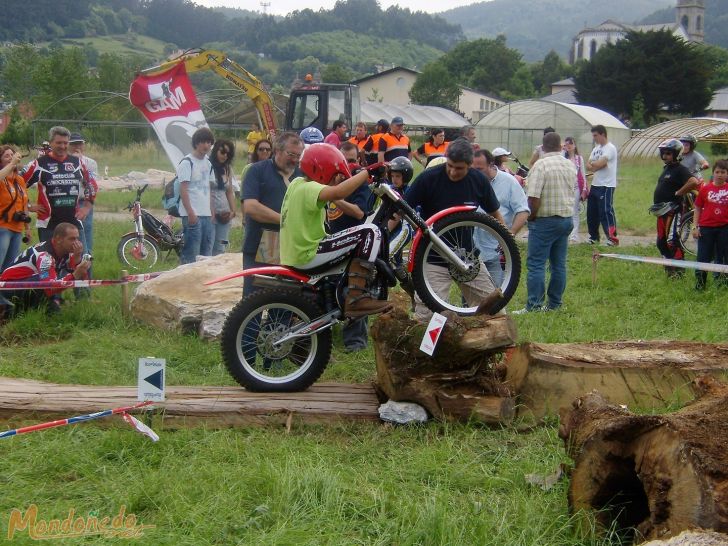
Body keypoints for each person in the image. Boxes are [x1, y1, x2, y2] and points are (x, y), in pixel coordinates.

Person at [279, 143, 392, 318]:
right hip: (308, 254)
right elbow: (338, 192)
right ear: (322, 170)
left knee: (357, 236)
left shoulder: (297, 184)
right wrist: (367, 172)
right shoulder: (310, 188)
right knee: (370, 232)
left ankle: (349, 290)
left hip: (295, 255)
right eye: (335, 175)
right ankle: (356, 298)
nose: (336, 180)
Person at [404, 138, 504, 321]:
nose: (452, 171)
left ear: (469, 165)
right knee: (427, 317)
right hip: (431, 257)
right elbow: (402, 208)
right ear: (445, 158)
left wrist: (506, 242)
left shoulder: (478, 181)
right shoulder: (428, 178)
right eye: (449, 165)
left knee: (495, 312)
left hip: (466, 256)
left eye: (459, 168)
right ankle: (424, 349)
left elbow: (495, 214)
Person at [516, 132, 575, 313]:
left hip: (545, 221)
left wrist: (531, 217)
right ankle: (555, 304)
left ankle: (534, 305)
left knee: (536, 264)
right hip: (566, 219)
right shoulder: (570, 165)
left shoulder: (540, 166)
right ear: (560, 146)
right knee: (558, 264)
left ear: (542, 147)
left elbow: (533, 197)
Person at [242, 132, 303, 296]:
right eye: (291, 154)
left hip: (292, 247)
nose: (295, 160)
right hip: (261, 244)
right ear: (277, 150)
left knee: (285, 300)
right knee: (253, 298)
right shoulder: (257, 171)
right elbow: (250, 207)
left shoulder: (303, 176)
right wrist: (286, 221)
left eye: (298, 155)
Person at [328, 142, 374, 349]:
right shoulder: (326, 179)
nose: (348, 165)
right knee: (326, 288)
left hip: (353, 243)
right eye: (344, 161)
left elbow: (359, 212)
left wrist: (333, 195)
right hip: (327, 241)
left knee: (356, 288)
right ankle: (321, 335)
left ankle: (355, 342)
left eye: (353, 161)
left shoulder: (359, 183)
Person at [23, 126, 96, 244]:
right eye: (58, 143)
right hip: (48, 224)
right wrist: (29, 206)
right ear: (51, 142)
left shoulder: (77, 162)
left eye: (65, 143)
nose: (62, 146)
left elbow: (91, 185)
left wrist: (87, 208)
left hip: (74, 221)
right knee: (51, 261)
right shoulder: (39, 163)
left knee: (81, 260)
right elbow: (18, 185)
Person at [0, 222, 91, 317]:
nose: (77, 243)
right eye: (72, 239)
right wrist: (75, 274)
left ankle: (30, 309)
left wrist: (77, 260)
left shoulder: (67, 251)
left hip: (29, 282)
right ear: (59, 239)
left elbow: (82, 280)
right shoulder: (45, 256)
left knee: (53, 309)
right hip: (10, 286)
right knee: (43, 283)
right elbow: (49, 287)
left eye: (77, 238)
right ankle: (11, 311)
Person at [472, 149, 529, 287]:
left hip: (494, 250)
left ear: (491, 164)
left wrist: (509, 235)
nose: (476, 173)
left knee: (494, 294)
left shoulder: (509, 182)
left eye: (480, 169)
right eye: (473, 169)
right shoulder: (470, 181)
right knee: (471, 295)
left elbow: (523, 211)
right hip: (471, 250)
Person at [651, 139, 700, 277]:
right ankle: (668, 266)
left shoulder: (680, 169)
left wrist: (679, 192)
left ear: (676, 154)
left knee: (672, 241)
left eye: (668, 153)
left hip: (673, 210)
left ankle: (679, 270)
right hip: (661, 211)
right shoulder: (666, 169)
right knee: (661, 241)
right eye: (663, 153)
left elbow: (693, 181)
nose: (665, 156)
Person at [178, 127, 215, 264]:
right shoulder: (187, 162)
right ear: (196, 143)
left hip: (207, 214)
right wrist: (190, 212)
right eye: (203, 142)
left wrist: (212, 210)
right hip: (192, 214)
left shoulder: (209, 163)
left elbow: (210, 188)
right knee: (191, 254)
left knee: (206, 255)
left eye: (209, 142)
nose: (206, 145)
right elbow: (184, 189)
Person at [693, 159, 728, 289]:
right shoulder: (705, 188)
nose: (719, 174)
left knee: (723, 257)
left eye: (723, 172)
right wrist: (695, 227)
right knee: (703, 257)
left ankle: (722, 283)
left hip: (725, 228)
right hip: (706, 228)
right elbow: (697, 208)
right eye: (717, 172)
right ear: (713, 173)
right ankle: (700, 285)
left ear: (727, 174)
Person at [0, 146, 33, 272]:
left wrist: (27, 228)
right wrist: (13, 162)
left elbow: (24, 203)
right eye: (7, 156)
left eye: (12, 155)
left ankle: (4, 292)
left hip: (17, 229)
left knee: (9, 269)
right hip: (3, 227)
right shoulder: (2, 179)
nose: (11, 158)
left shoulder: (19, 180)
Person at [585, 124, 619, 246]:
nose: (594, 138)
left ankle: (612, 238)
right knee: (591, 212)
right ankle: (594, 237)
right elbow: (589, 165)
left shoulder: (610, 148)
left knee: (605, 211)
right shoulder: (596, 149)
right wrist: (596, 165)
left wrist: (596, 165)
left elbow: (601, 164)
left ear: (602, 134)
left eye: (595, 135)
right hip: (595, 184)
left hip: (606, 185)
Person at [210, 139, 237, 255]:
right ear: (216, 150)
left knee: (221, 247)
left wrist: (233, 210)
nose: (225, 156)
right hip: (210, 214)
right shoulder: (208, 166)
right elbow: (207, 191)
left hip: (225, 215)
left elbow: (229, 191)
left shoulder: (227, 168)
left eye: (228, 154)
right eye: (222, 152)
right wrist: (211, 213)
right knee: (208, 247)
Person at [563, 136, 588, 242]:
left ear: (574, 145)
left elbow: (582, 174)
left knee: (575, 211)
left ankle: (574, 236)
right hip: (565, 188)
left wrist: (584, 189)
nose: (568, 146)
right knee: (565, 211)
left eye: (571, 143)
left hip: (576, 188)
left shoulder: (579, 159)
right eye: (566, 144)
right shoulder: (563, 158)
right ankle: (566, 234)